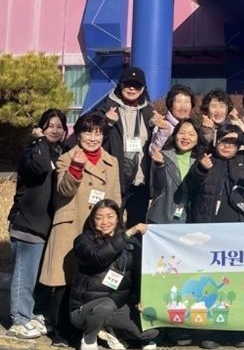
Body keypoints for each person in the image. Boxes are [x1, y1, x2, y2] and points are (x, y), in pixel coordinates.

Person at [39, 112, 121, 346]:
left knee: (91, 281)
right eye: (87, 132)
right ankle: (61, 331)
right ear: (78, 134)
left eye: (98, 133)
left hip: (99, 228)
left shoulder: (112, 162)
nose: (93, 138)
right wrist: (76, 166)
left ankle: (88, 328)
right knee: (66, 280)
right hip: (71, 226)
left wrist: (114, 223)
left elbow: (115, 196)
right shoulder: (66, 158)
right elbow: (64, 190)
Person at [7, 109, 67, 339]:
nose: (55, 130)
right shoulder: (33, 151)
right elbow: (40, 168)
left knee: (38, 276)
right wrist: (39, 139)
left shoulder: (58, 153)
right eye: (50, 125)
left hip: (46, 226)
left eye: (59, 126)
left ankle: (32, 314)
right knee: (24, 275)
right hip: (27, 224)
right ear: (41, 128)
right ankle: (19, 320)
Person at [70, 199, 158, 350]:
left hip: (117, 307)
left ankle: (109, 330)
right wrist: (128, 233)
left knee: (151, 332)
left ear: (118, 218)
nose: (105, 222)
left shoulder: (132, 244)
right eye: (99, 217)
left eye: (110, 216)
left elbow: (137, 276)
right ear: (93, 221)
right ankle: (89, 339)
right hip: (84, 310)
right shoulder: (83, 241)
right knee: (106, 305)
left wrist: (141, 299)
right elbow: (98, 256)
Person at [94, 66, 154, 228]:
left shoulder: (149, 113)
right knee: (110, 226)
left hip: (139, 182)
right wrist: (107, 123)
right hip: (114, 180)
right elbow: (92, 140)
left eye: (137, 85)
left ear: (143, 89)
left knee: (137, 228)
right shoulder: (104, 108)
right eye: (128, 84)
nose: (132, 88)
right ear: (120, 85)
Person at [185, 124, 244, 224]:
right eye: (223, 141)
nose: (227, 146)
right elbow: (191, 184)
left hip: (238, 222)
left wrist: (240, 136)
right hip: (206, 221)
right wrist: (201, 169)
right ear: (216, 142)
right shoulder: (206, 158)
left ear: (238, 145)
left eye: (232, 142)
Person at [147, 118, 203, 224]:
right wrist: (159, 166)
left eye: (191, 134)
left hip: (189, 220)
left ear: (198, 139)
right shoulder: (163, 156)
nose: (186, 137)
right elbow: (157, 186)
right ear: (175, 135)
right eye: (181, 133)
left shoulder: (201, 161)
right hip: (161, 218)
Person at [149, 84, 196, 152]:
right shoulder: (163, 125)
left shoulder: (193, 126)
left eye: (186, 102)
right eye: (178, 102)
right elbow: (153, 151)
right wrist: (163, 130)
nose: (183, 106)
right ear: (171, 105)